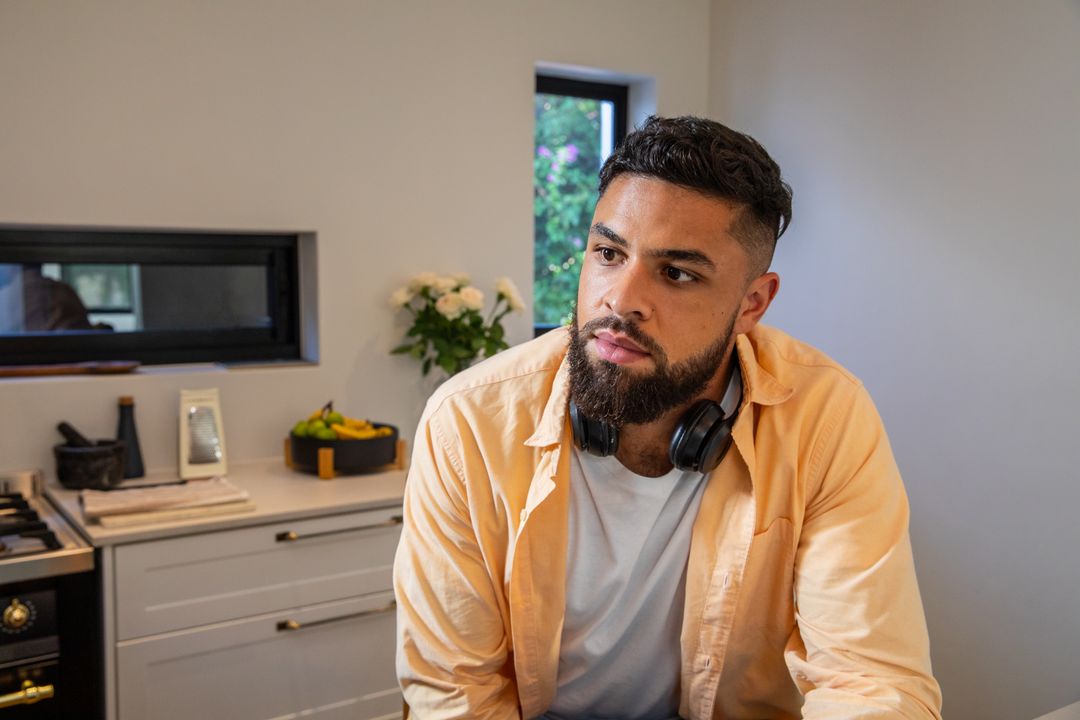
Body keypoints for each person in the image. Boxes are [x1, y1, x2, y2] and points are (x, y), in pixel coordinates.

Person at [394, 116, 942, 719]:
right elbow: (455, 692)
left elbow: (872, 683)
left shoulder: (825, 417)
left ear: (751, 304)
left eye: (677, 273)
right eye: (608, 253)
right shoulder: (469, 422)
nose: (621, 299)